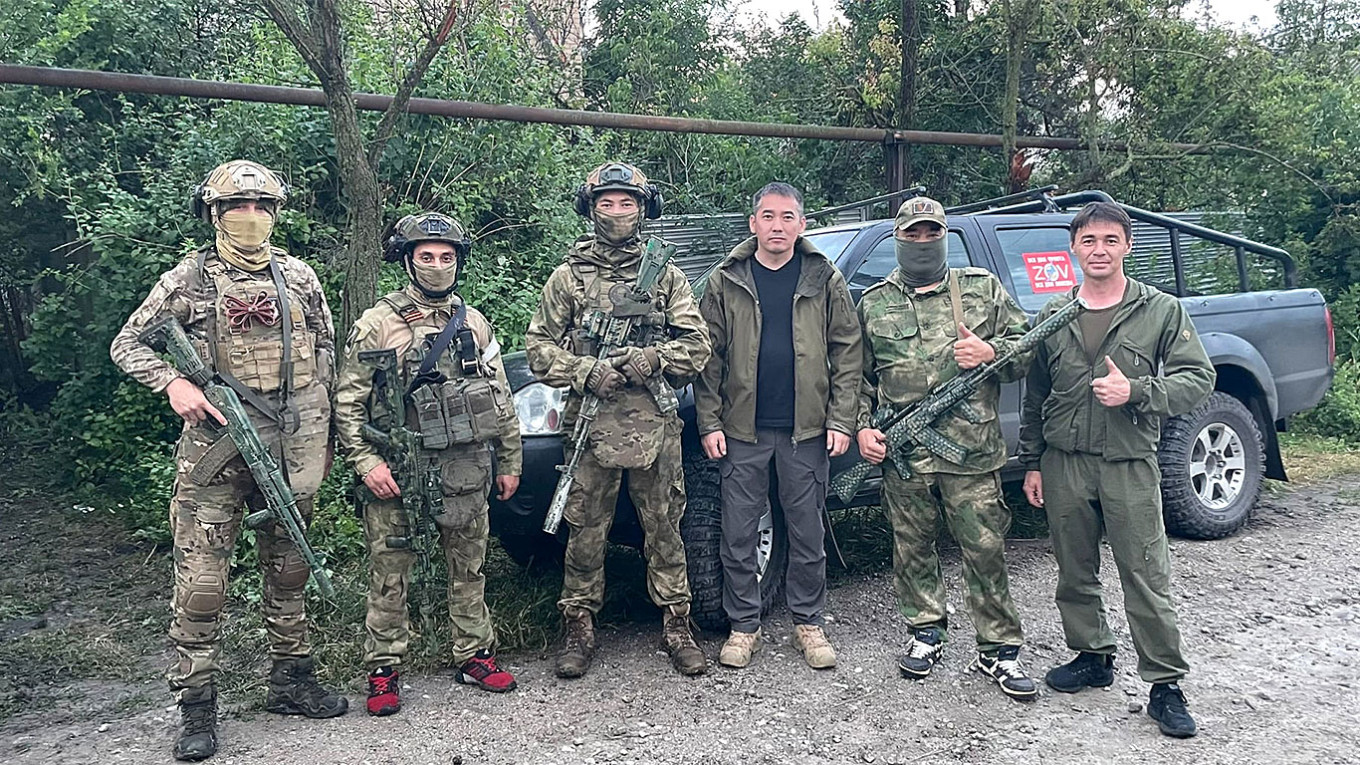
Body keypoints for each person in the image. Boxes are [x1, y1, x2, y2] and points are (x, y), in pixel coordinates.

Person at [110, 160, 347, 761]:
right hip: (215, 454)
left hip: (288, 445)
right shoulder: (187, 280)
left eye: (262, 207)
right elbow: (127, 342)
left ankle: (291, 681)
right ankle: (196, 707)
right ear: (214, 214)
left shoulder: (299, 277)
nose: (251, 217)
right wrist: (172, 383)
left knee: (289, 570)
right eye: (237, 207)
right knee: (203, 585)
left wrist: (327, 433)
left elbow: (326, 355)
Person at [1019, 201, 1214, 737]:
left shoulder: (1160, 311)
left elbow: (1199, 379)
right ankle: (1092, 656)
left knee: (1145, 574)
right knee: (1074, 570)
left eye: (1110, 240)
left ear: (1126, 246)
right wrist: (1032, 462)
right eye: (1088, 241)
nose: (1099, 250)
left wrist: (1138, 391)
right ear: (1073, 248)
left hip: (1128, 462)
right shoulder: (1055, 316)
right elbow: (1037, 394)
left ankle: (1165, 685)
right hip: (1064, 463)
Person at [524, 162, 711, 678]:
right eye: (606, 202)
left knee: (665, 527)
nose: (616, 211)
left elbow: (698, 344)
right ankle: (579, 626)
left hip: (655, 424)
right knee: (584, 527)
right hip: (590, 426)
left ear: (643, 208)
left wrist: (653, 360)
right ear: (590, 209)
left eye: (626, 202)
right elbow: (537, 347)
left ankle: (677, 624)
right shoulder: (568, 277)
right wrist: (586, 371)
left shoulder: (665, 275)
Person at [333, 212, 523, 715]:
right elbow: (347, 402)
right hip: (398, 466)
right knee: (390, 572)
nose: (438, 266)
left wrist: (510, 459)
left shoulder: (475, 323)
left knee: (470, 566)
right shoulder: (377, 323)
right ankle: (383, 668)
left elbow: (499, 397)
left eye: (447, 257)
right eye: (427, 257)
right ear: (407, 261)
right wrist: (366, 462)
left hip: (465, 464)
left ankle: (474, 654)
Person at [855, 195, 1038, 699]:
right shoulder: (873, 302)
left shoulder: (982, 289)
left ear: (944, 237)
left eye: (930, 233)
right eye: (912, 234)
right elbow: (857, 378)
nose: (921, 242)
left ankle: (998, 649)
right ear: (898, 239)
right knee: (912, 546)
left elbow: (1027, 350)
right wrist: (863, 428)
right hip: (905, 453)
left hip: (971, 451)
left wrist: (990, 352)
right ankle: (924, 631)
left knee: (984, 548)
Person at [694, 182, 862, 670]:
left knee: (807, 532)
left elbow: (847, 352)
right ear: (753, 224)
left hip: (806, 430)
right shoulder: (726, 280)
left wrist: (841, 419)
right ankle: (744, 626)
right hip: (742, 430)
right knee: (738, 534)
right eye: (768, 216)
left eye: (787, 217)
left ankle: (808, 624)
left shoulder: (822, 277)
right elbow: (709, 359)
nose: (777, 226)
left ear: (801, 225)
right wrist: (709, 421)